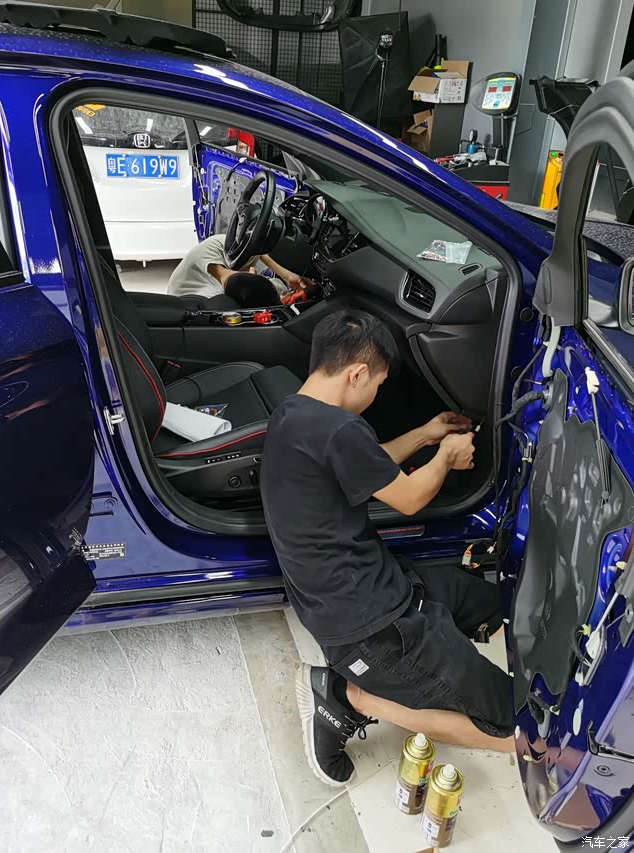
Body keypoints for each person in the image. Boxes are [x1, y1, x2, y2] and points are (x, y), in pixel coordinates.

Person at [260, 309, 513, 787]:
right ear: (357, 374)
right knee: (512, 717)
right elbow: (410, 498)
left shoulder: (295, 413)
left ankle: (410, 667)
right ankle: (346, 696)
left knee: (490, 602)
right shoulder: (340, 429)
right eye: (376, 384)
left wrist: (426, 434)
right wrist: (447, 456)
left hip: (373, 586)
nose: (376, 393)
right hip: (368, 627)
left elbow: (367, 465)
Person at [167, 232, 303, 303]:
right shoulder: (211, 256)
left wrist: (287, 275)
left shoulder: (229, 244)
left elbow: (258, 251)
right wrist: (277, 291)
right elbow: (236, 283)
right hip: (189, 300)